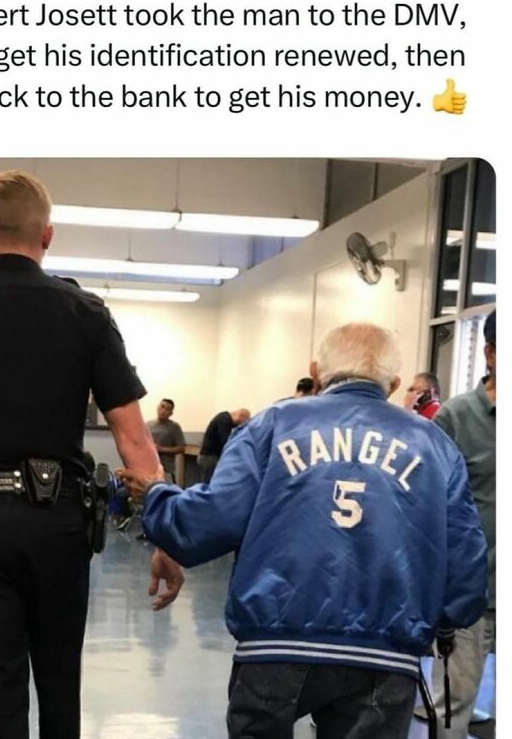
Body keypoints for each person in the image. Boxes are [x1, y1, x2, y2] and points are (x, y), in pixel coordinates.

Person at [0, 169, 184, 739]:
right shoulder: (85, 313)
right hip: (60, 529)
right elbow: (135, 439)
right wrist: (165, 536)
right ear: (48, 235)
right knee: (59, 687)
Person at [122, 323, 488, 739]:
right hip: (386, 654)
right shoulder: (434, 445)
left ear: (316, 372)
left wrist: (156, 497)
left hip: (275, 643)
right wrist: (444, 622)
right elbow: (466, 562)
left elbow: (211, 520)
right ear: (394, 383)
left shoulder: (272, 425)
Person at [421, 310, 496, 737]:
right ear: (489, 353)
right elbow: (432, 509)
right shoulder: (455, 418)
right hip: (473, 596)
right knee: (452, 711)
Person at [197, 408, 250, 484]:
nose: (239, 426)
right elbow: (226, 442)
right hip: (210, 457)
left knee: (209, 482)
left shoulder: (223, 418)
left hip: (207, 457)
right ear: (240, 416)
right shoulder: (225, 421)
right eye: (241, 423)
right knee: (209, 484)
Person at [146, 398, 186, 479]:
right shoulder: (148, 425)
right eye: (162, 407)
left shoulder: (174, 427)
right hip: (148, 467)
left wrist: (161, 449)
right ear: (157, 407)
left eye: (167, 409)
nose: (163, 411)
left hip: (166, 468)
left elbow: (182, 448)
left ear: (171, 413)